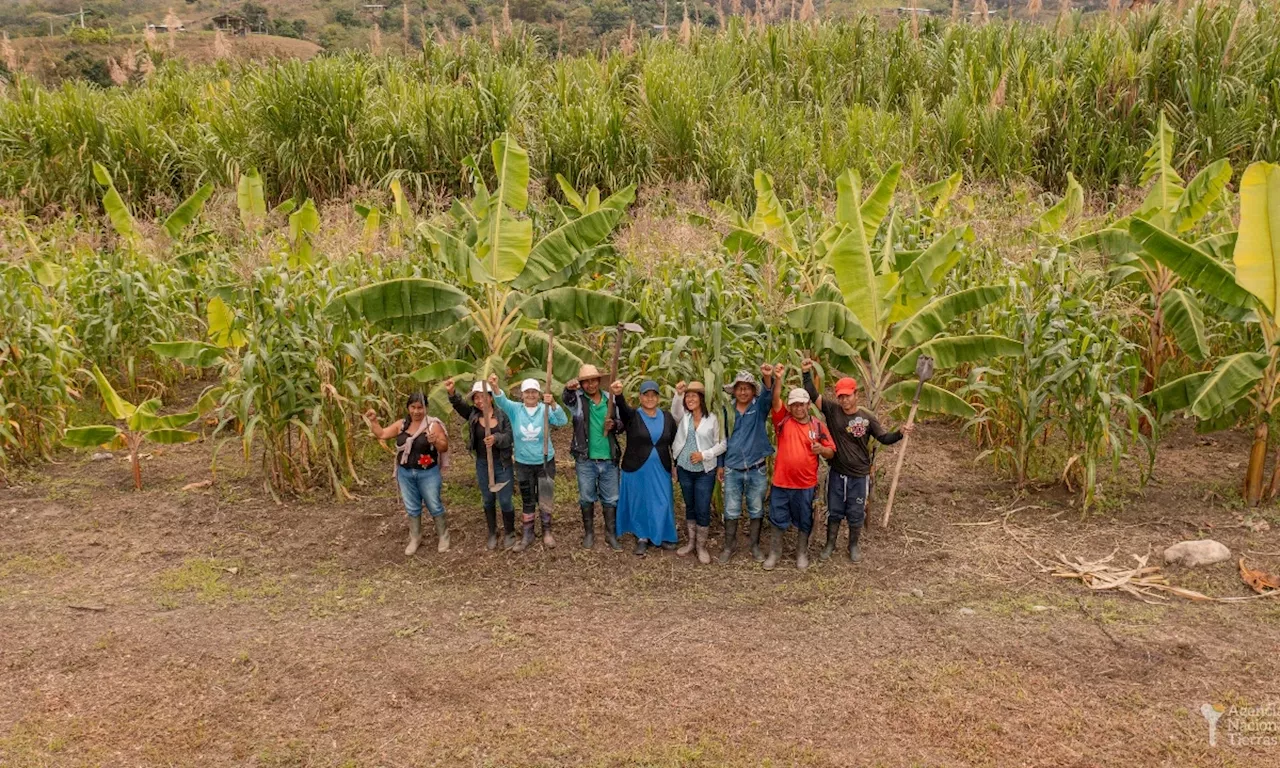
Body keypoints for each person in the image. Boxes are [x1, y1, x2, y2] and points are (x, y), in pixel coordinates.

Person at [802, 359, 913, 563]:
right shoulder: (832, 410)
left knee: (855, 512)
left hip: (859, 476)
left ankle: (853, 545)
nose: (844, 400)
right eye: (841, 396)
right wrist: (806, 373)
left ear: (856, 395)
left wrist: (900, 433)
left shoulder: (867, 418)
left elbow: (883, 438)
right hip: (837, 473)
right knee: (834, 511)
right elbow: (812, 394)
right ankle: (830, 544)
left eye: (847, 396)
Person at [764, 366, 835, 571]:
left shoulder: (817, 426)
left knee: (805, 519)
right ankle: (775, 552)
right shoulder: (783, 421)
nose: (798, 409)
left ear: (807, 405)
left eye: (801, 405)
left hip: (805, 484)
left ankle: (801, 552)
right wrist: (778, 379)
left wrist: (821, 449)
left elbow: (831, 451)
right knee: (777, 517)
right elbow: (775, 400)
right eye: (794, 405)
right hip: (781, 482)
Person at [365, 393, 450, 556]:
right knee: (412, 507)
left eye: (420, 407)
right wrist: (374, 421)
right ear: (408, 408)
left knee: (434, 504)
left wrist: (435, 441)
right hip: (405, 473)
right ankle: (415, 538)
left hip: (428, 473)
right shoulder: (401, 425)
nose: (417, 411)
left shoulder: (433, 425)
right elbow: (381, 434)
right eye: (413, 407)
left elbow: (444, 447)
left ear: (426, 408)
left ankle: (443, 536)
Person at [491, 375, 569, 552]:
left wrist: (554, 404)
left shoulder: (545, 409)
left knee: (545, 497)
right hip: (523, 462)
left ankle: (547, 531)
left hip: (544, 461)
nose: (531, 395)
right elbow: (501, 401)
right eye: (527, 392)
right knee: (527, 498)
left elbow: (563, 421)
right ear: (522, 395)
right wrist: (495, 387)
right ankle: (528, 533)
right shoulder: (515, 410)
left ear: (540, 394)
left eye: (534, 392)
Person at [446, 377, 516, 550]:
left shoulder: (502, 415)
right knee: (487, 500)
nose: (479, 401)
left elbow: (509, 436)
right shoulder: (473, 415)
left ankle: (510, 532)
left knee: (506, 500)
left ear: (490, 397)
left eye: (482, 396)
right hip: (483, 464)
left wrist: (496, 438)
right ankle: (492, 532)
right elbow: (459, 405)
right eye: (476, 398)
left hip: (503, 464)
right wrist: (451, 392)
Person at [612, 379, 678, 555]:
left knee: (661, 501)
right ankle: (642, 537)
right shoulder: (633, 416)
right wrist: (618, 394)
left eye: (653, 395)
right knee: (641, 502)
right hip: (637, 468)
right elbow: (623, 408)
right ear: (640, 397)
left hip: (660, 468)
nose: (650, 398)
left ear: (658, 397)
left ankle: (662, 534)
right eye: (646, 395)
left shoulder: (667, 417)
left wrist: (676, 465)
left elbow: (675, 443)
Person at [716, 366, 776, 563]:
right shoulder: (727, 411)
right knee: (731, 509)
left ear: (753, 391)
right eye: (739, 388)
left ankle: (755, 546)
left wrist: (767, 376)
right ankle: (729, 545)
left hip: (756, 468)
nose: (743, 392)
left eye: (747, 388)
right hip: (732, 469)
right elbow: (721, 439)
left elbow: (769, 395)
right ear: (734, 390)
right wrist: (720, 464)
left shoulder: (758, 408)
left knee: (756, 508)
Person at [562, 364, 622, 550]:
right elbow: (567, 398)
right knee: (587, 497)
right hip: (585, 458)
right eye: (586, 382)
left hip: (608, 457)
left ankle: (610, 534)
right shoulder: (578, 400)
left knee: (611, 498)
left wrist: (615, 425)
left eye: (593, 380)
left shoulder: (610, 399)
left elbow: (621, 423)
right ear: (582, 384)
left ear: (598, 381)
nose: (590, 385)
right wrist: (567, 388)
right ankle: (589, 533)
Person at [672, 381, 725, 564]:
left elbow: (722, 444)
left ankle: (701, 547)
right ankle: (691, 543)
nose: (690, 399)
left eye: (694, 395)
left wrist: (705, 454)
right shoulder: (684, 417)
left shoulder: (713, 419)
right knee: (690, 505)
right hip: (685, 468)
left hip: (704, 471)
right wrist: (678, 395)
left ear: (702, 398)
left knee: (702, 508)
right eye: (688, 396)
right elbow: (675, 412)